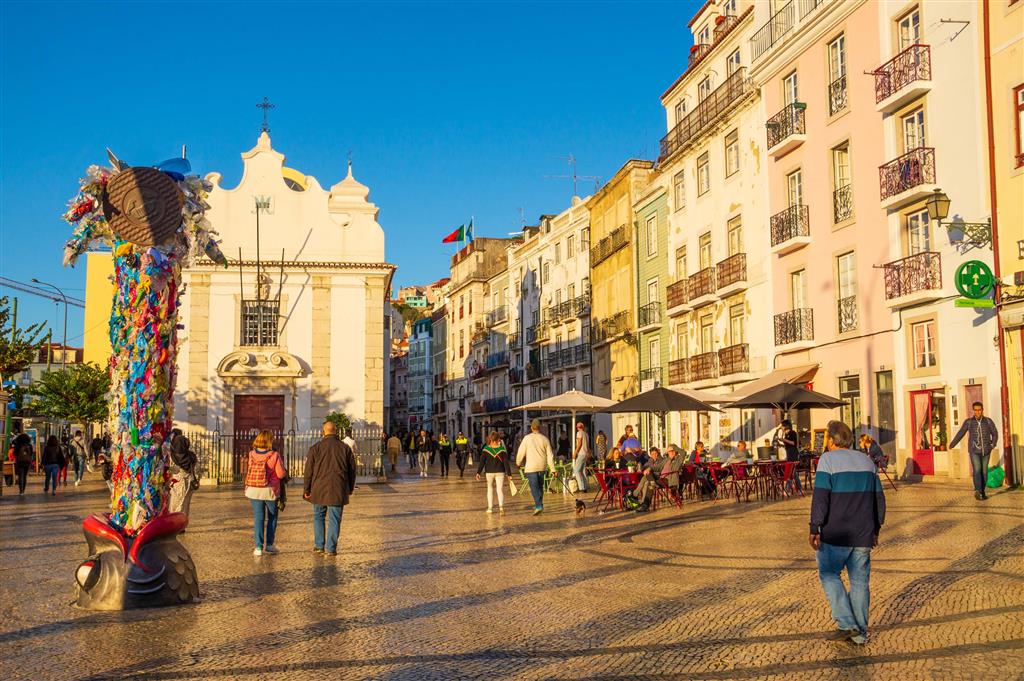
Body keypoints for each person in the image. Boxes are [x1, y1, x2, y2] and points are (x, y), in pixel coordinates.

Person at [810, 420, 886, 646]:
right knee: (860, 582)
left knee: (828, 573)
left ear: (831, 441)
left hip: (836, 533)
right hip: (863, 533)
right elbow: (879, 500)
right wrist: (876, 528)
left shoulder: (827, 460)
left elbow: (820, 497)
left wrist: (815, 527)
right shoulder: (867, 462)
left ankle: (846, 623)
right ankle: (860, 634)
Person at [304, 421, 357, 557]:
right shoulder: (345, 448)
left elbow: (308, 471)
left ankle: (319, 546)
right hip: (338, 488)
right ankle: (331, 548)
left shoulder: (315, 448)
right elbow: (352, 471)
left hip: (318, 488)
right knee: (335, 519)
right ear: (336, 431)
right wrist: (350, 488)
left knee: (318, 516)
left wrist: (307, 489)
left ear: (323, 432)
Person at [244, 430, 287, 556]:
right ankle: (269, 545)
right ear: (269, 441)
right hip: (270, 490)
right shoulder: (274, 455)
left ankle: (258, 547)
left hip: (254, 489)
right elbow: (280, 474)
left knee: (258, 517)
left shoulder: (251, 454)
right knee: (272, 516)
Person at [948, 401, 999, 501]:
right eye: (975, 410)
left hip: (986, 450)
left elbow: (995, 433)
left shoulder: (988, 421)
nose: (977, 412)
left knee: (984, 472)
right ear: (973, 411)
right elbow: (961, 433)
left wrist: (992, 445)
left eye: (979, 410)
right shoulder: (969, 422)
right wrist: (952, 444)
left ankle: (982, 491)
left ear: (982, 410)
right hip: (974, 450)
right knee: (977, 470)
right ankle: (978, 491)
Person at [515, 419, 557, 515]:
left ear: (531, 427)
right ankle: (539, 504)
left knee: (534, 487)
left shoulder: (527, 438)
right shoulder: (545, 439)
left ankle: (538, 506)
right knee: (540, 487)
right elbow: (550, 456)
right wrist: (553, 469)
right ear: (539, 427)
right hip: (542, 467)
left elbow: (521, 452)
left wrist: (518, 463)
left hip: (531, 467)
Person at [476, 431, 511, 513]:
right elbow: (506, 462)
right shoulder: (502, 449)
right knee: (499, 489)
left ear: (490, 439)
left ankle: (490, 508)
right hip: (500, 472)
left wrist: (478, 472)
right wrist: (509, 474)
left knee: (490, 489)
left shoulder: (486, 449)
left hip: (489, 472)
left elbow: (482, 462)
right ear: (498, 439)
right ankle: (501, 507)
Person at [168, 428, 198, 517]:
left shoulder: (173, 457)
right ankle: (182, 521)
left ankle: (175, 521)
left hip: (176, 483)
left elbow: (172, 470)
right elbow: (196, 469)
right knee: (185, 504)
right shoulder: (191, 456)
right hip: (189, 482)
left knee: (175, 504)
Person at [631, 446, 663, 512]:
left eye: (655, 453)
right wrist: (639, 467)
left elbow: (658, 468)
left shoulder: (661, 460)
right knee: (646, 482)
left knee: (645, 477)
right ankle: (643, 502)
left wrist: (649, 469)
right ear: (650, 455)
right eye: (652, 454)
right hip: (650, 477)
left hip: (658, 477)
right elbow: (645, 465)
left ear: (658, 453)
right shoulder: (651, 460)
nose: (654, 455)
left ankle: (635, 494)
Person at [572, 421, 590, 494]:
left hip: (581, 453)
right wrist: (588, 453)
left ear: (577, 428)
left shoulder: (579, 433)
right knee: (582, 471)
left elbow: (579, 443)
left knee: (576, 470)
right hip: (585, 454)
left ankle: (581, 488)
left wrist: (575, 452)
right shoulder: (586, 434)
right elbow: (587, 446)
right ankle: (585, 487)